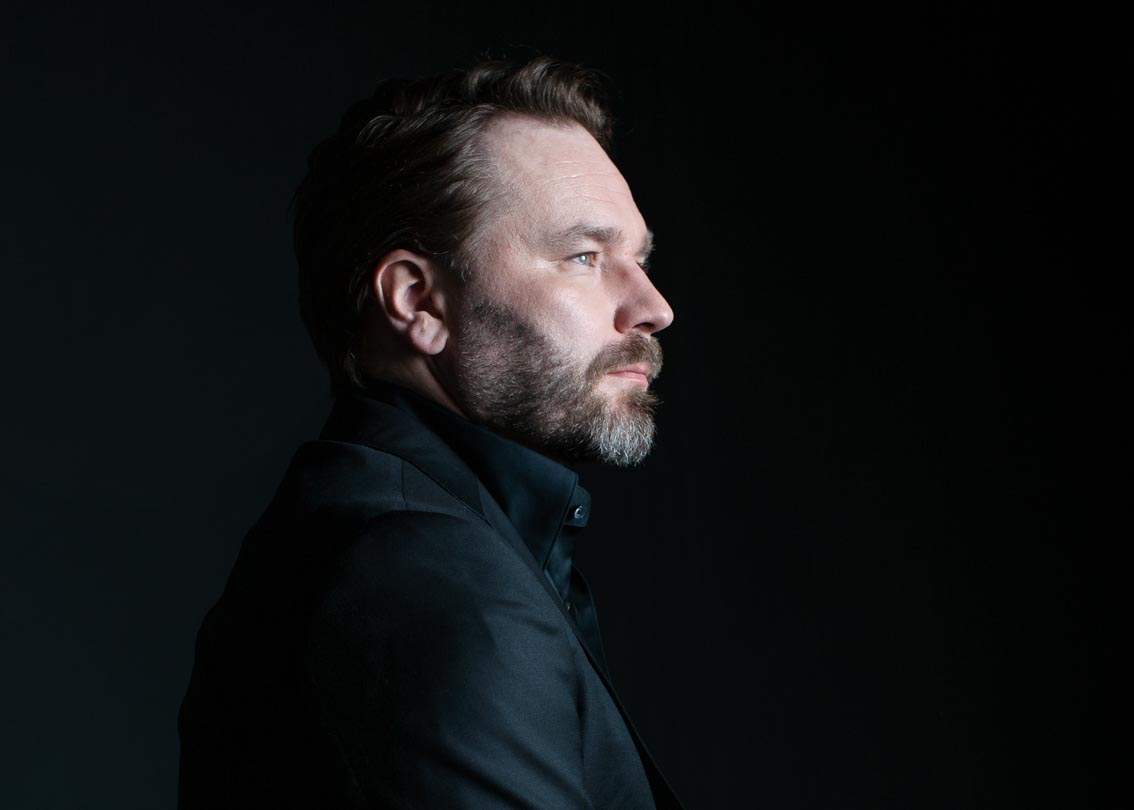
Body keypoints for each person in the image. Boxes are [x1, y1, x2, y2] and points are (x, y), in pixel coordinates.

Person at [177, 55, 683, 809]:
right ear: (418, 301)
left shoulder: (407, 540)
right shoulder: (434, 585)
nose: (653, 307)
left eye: (638, 259)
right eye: (584, 257)